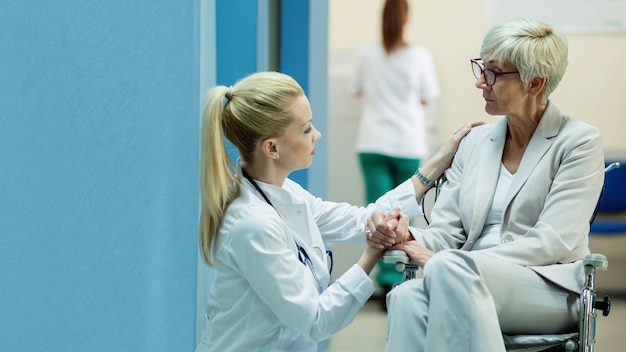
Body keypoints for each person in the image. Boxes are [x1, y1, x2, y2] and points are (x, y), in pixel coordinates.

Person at [365, 18, 605, 352]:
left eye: (493, 72)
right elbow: (447, 233)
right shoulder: (474, 142)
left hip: (546, 289)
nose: (480, 82)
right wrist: (408, 236)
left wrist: (454, 262)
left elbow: (552, 242)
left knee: (448, 269)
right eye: (481, 67)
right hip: (458, 276)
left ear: (535, 83)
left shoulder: (578, 142)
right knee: (405, 296)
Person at [195, 71, 480, 352]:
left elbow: (360, 219)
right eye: (306, 129)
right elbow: (316, 320)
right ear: (272, 148)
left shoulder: (287, 194)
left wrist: (437, 163)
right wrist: (371, 253)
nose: (316, 134)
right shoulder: (252, 223)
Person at [353, 0, 440, 295]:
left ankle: (385, 280)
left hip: (372, 141)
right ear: (406, 19)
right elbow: (428, 97)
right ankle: (402, 276)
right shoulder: (420, 55)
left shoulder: (366, 53)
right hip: (407, 143)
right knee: (403, 216)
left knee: (378, 214)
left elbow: (358, 89)